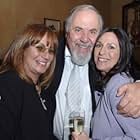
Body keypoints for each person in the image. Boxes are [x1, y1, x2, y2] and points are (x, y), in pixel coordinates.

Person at [45, 4, 140, 140]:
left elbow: (130, 70)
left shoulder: (100, 63)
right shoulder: (49, 57)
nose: (85, 38)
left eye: (93, 32)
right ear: (67, 33)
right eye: (78, 30)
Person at [72, 27, 140, 140]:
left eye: (111, 47)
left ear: (122, 54)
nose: (102, 52)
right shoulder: (102, 82)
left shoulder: (118, 85)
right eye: (98, 45)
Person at [0, 24, 58, 140]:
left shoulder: (47, 93)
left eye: (51, 51)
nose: (46, 56)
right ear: (22, 49)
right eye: (40, 48)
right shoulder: (8, 84)